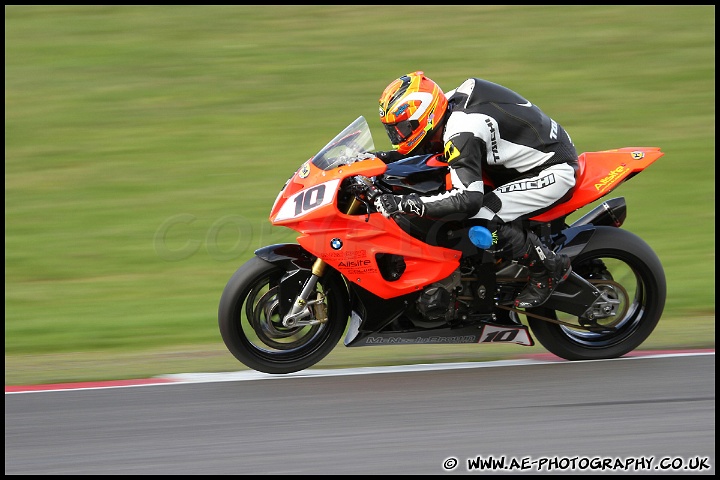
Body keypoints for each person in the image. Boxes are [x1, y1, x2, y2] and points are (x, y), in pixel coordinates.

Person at [372, 71, 577, 308]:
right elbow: (425, 148)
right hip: (524, 161)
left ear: (424, 118)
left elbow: (468, 199)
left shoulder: (462, 131)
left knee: (480, 218)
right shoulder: (445, 108)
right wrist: (374, 160)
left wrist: (407, 203)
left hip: (552, 169)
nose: (398, 136)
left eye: (402, 128)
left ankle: (547, 268)